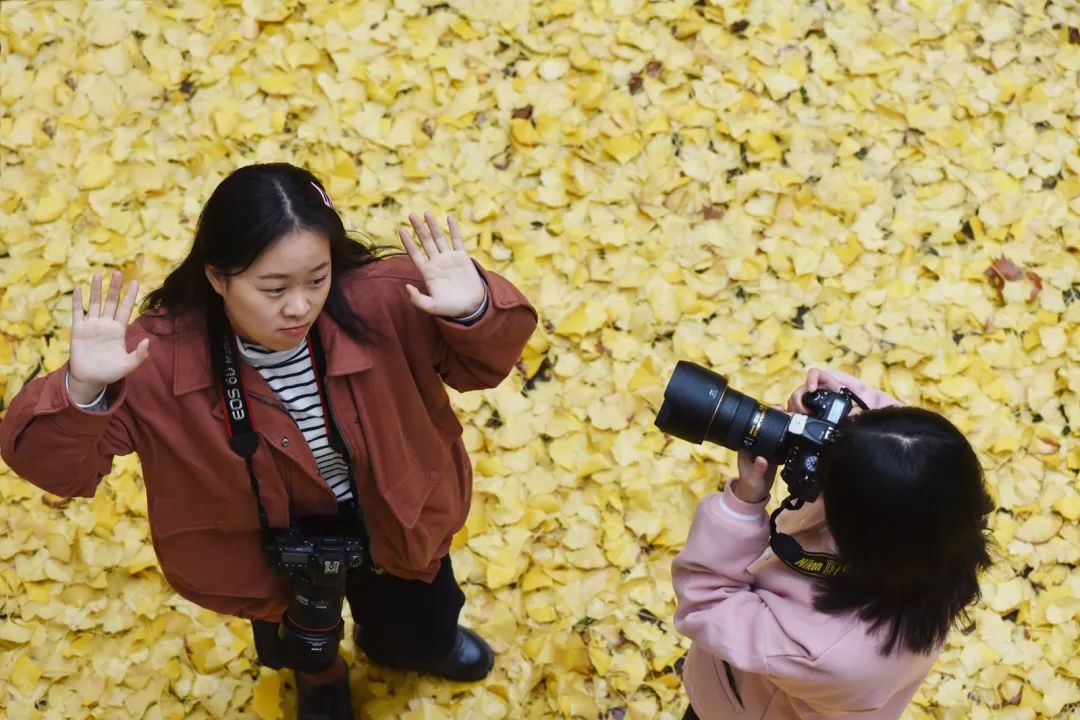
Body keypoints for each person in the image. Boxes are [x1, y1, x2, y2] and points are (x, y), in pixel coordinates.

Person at [0, 163, 538, 720]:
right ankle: (322, 680)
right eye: (274, 288)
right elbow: (57, 470)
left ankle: (419, 648)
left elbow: (483, 367)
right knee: (298, 640)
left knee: (420, 624)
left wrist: (475, 309)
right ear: (217, 277)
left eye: (317, 279)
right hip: (264, 545)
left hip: (394, 517)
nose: (300, 306)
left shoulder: (388, 299)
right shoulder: (151, 359)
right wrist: (83, 389)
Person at [672, 368, 994, 720]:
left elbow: (707, 605)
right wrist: (835, 403)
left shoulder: (829, 651)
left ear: (858, 530)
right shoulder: (940, 513)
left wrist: (744, 505)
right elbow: (905, 445)